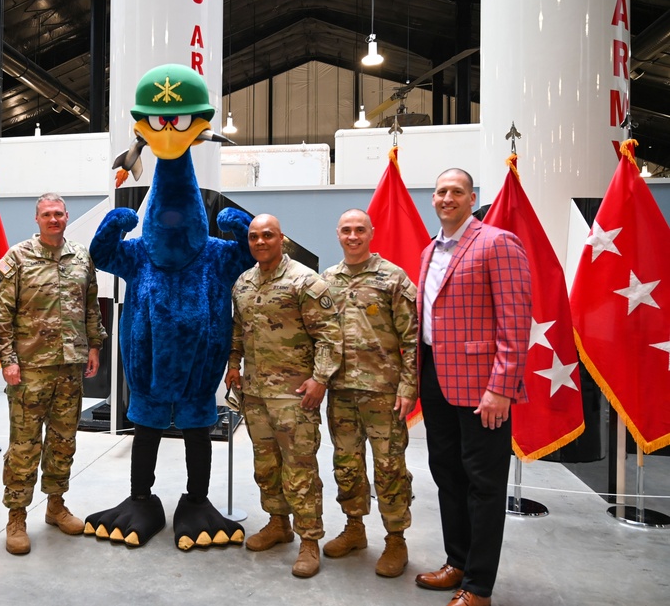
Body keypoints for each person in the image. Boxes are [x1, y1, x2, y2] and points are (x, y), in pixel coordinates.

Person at [415, 169, 531, 606]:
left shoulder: (497, 242)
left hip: (483, 386)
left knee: (483, 484)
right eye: (441, 191)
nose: (447, 198)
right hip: (435, 379)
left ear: (472, 198)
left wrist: (501, 387)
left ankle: (479, 586)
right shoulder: (430, 249)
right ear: (433, 198)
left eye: (456, 192)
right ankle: (456, 562)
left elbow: (516, 322)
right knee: (447, 476)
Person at [225, 214, 342, 578]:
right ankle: (278, 523)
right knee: (266, 465)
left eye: (268, 236)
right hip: (255, 392)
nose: (260, 242)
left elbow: (330, 335)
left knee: (301, 468)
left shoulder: (306, 281)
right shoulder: (244, 282)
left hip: (294, 395)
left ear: (282, 239)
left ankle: (309, 540)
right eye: (254, 237)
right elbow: (238, 331)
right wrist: (233, 365)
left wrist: (320, 379)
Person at [0, 193, 107, 555]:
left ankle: (56, 505)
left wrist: (94, 345)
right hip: (30, 368)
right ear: (37, 219)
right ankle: (16, 516)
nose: (54, 219)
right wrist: (8, 360)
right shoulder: (17, 259)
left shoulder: (80, 257)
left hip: (70, 366)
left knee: (63, 439)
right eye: (47, 214)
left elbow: (91, 304)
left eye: (59, 214)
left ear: (67, 217)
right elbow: (1, 315)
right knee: (25, 445)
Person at [320, 209, 418, 578]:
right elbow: (322, 335)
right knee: (346, 465)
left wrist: (408, 386)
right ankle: (354, 528)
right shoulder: (327, 280)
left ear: (371, 233)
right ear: (338, 234)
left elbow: (411, 338)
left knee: (390, 468)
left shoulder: (392, 278)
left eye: (360, 229)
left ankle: (396, 539)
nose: (353, 236)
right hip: (341, 391)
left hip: (384, 393)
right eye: (346, 230)